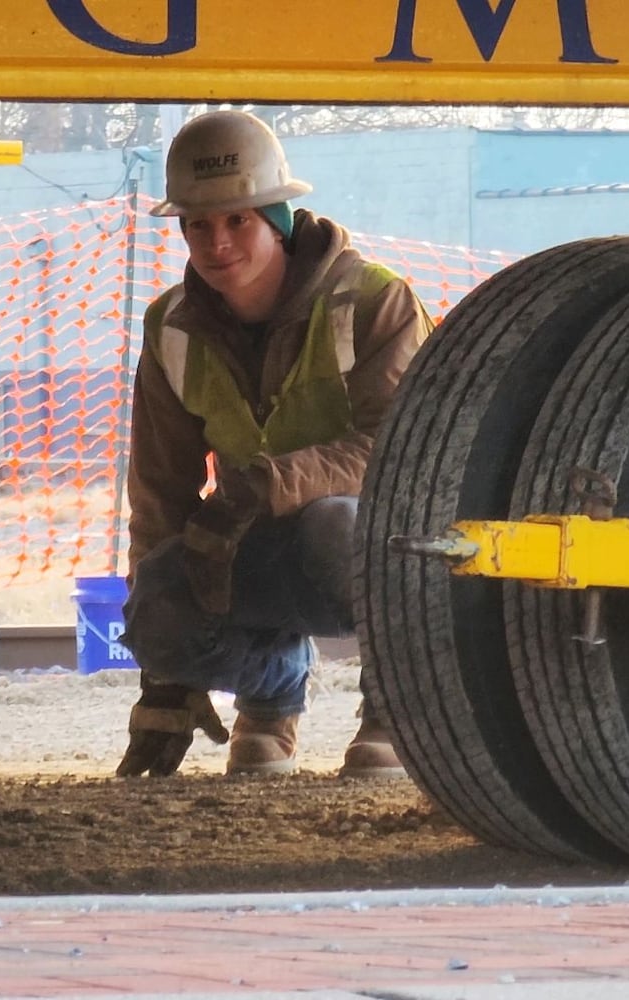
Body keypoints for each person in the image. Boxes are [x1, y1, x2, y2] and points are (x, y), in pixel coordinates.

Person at [115, 109, 432, 779]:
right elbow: (161, 489)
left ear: (279, 219)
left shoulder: (374, 302)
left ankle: (396, 707)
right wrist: (165, 677)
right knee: (156, 600)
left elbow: (401, 457)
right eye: (197, 223)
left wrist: (269, 481)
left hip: (377, 546)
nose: (216, 241)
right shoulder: (170, 327)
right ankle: (272, 690)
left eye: (238, 219)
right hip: (251, 539)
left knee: (335, 528)